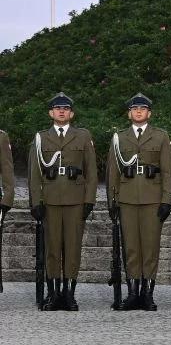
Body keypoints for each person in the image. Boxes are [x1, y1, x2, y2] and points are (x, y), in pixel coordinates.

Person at [105, 93, 171, 311]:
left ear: (149, 113)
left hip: (152, 199)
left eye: (142, 109)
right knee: (131, 248)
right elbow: (112, 173)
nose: (138, 112)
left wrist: (167, 200)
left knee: (150, 248)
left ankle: (148, 294)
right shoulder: (119, 138)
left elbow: (168, 172)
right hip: (127, 199)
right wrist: (112, 202)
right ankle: (133, 293)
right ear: (129, 114)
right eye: (135, 109)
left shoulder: (161, 137)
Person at [29, 93, 98, 311]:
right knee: (52, 249)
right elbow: (34, 174)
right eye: (57, 108)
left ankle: (69, 294)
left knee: (72, 248)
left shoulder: (83, 136)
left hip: (75, 200)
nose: (61, 111)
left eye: (65, 109)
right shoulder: (41, 137)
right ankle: (52, 294)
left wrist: (89, 200)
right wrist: (36, 202)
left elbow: (92, 172)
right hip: (49, 200)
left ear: (72, 113)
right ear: (50, 113)